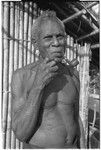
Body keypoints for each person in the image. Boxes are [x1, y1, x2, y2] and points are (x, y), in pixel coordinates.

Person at [11, 10, 86, 148]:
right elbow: (20, 133)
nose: (56, 43)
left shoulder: (72, 74)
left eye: (60, 36)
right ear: (35, 43)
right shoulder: (22, 76)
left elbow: (76, 118)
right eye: (48, 38)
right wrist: (38, 85)